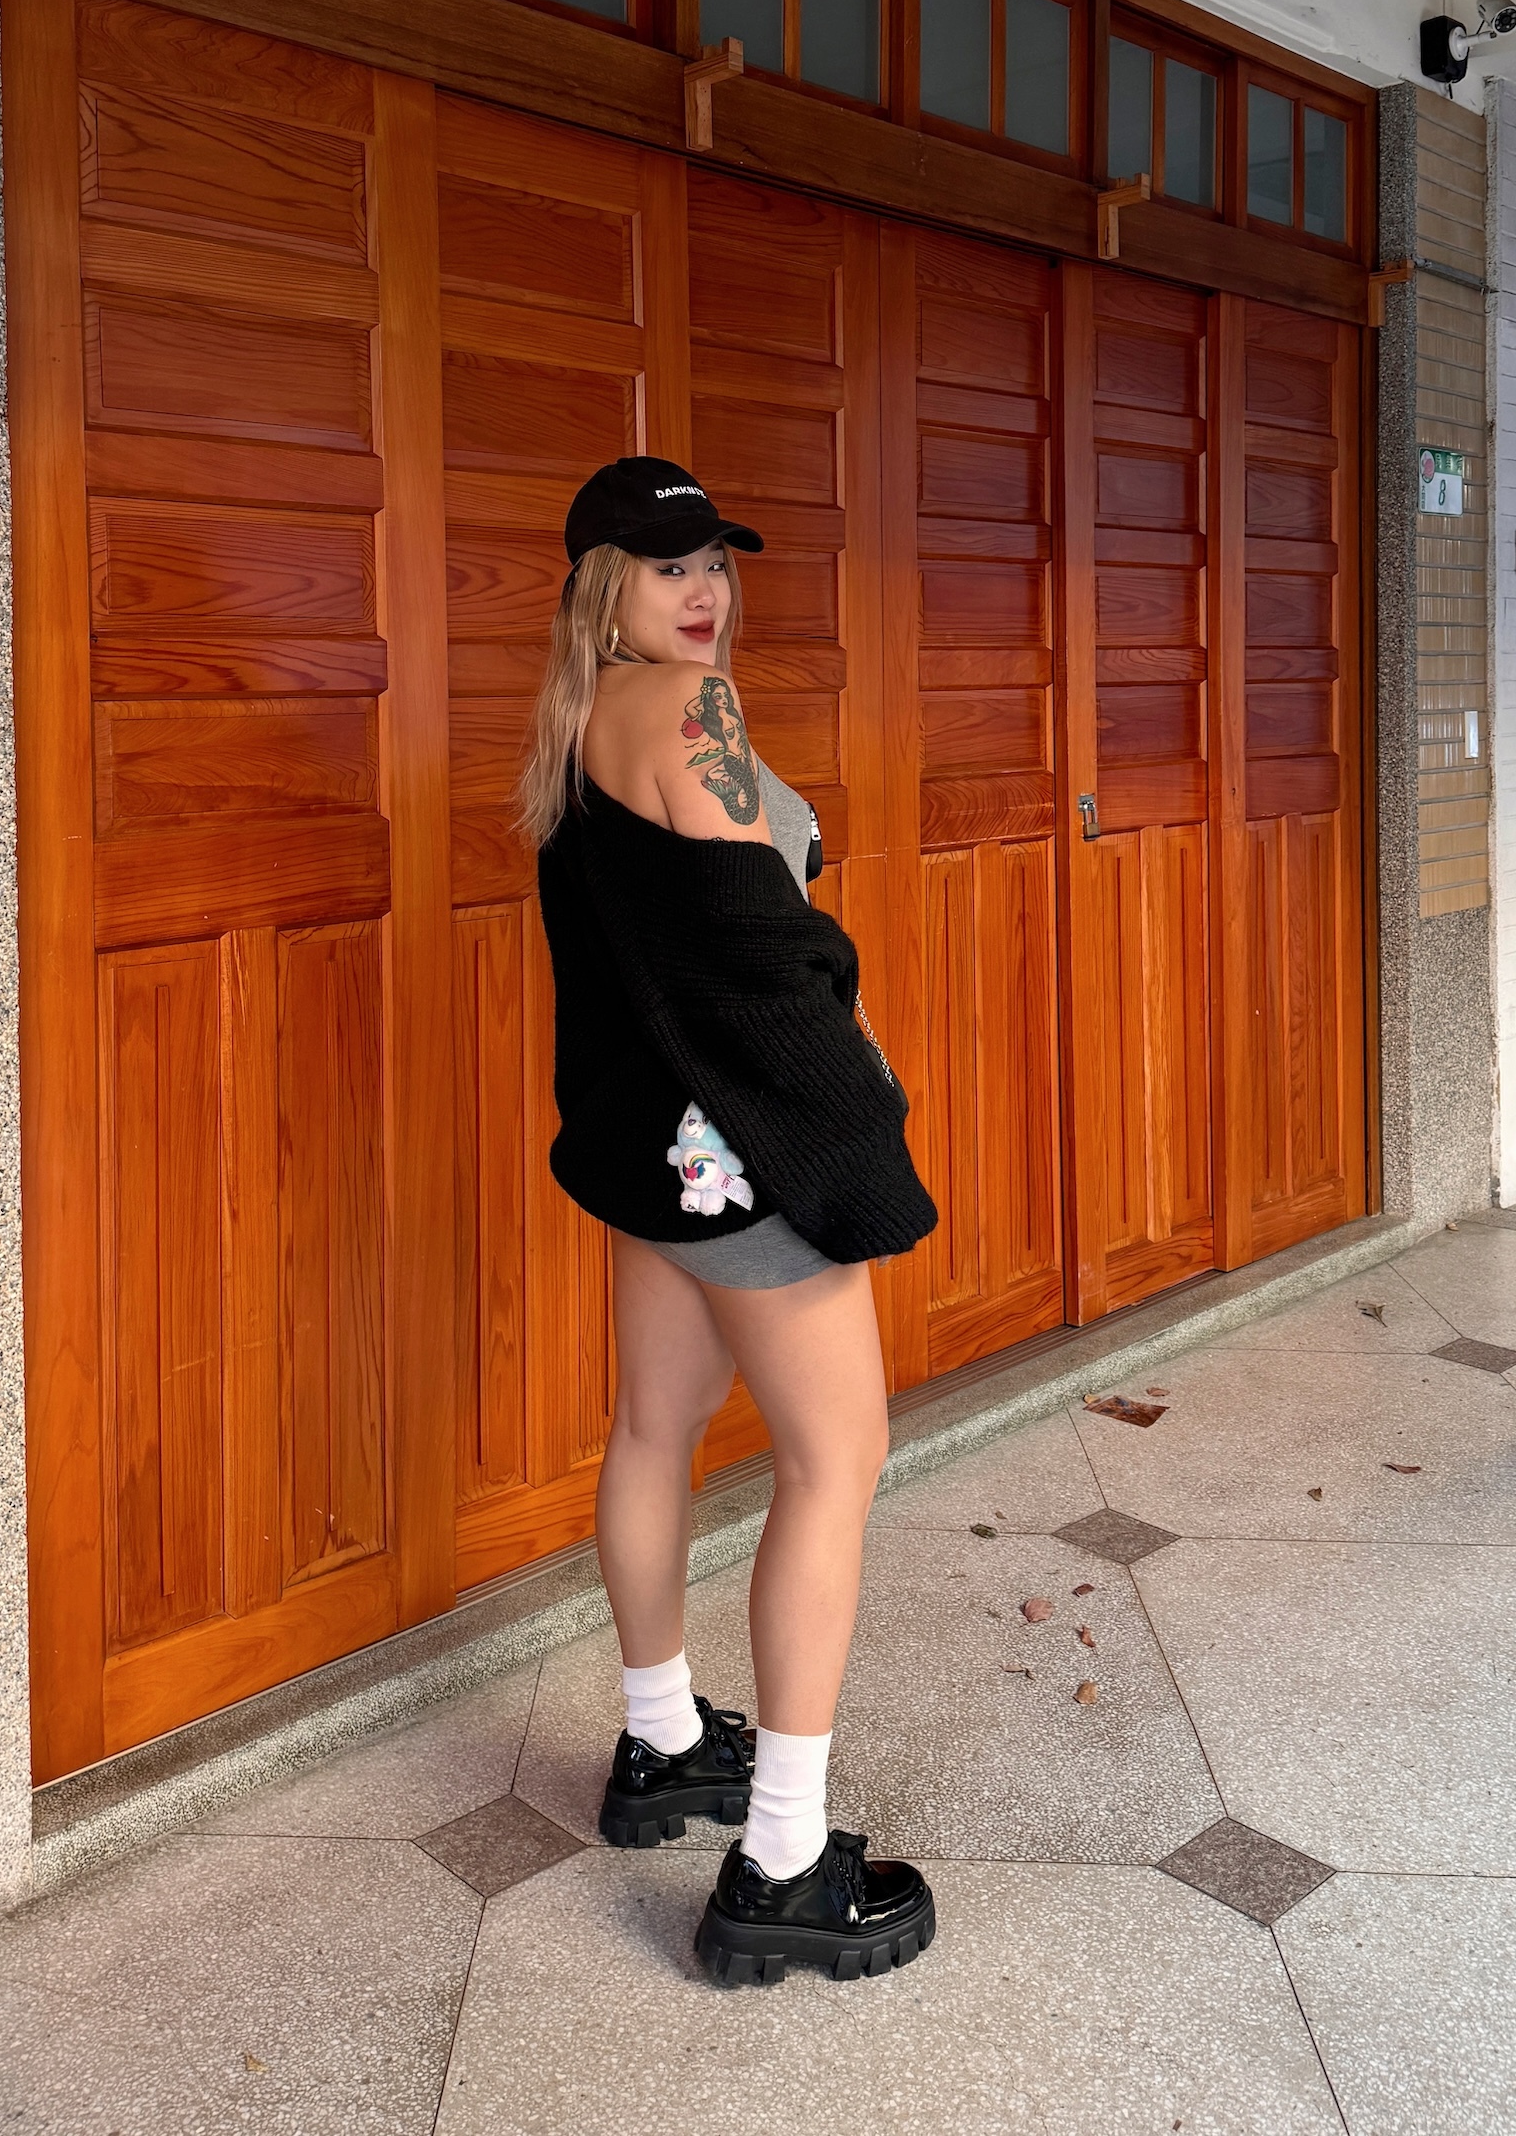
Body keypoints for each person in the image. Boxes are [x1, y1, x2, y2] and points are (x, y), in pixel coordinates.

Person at [519, 454, 939, 1986]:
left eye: (715, 562)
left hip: (652, 1153)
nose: (704, 592)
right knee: (839, 1459)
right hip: (742, 1149)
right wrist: (861, 1120)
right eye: (668, 565)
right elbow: (771, 955)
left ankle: (661, 1744)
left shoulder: (577, 726)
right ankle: (779, 1866)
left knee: (655, 1428)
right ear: (602, 588)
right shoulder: (690, 710)